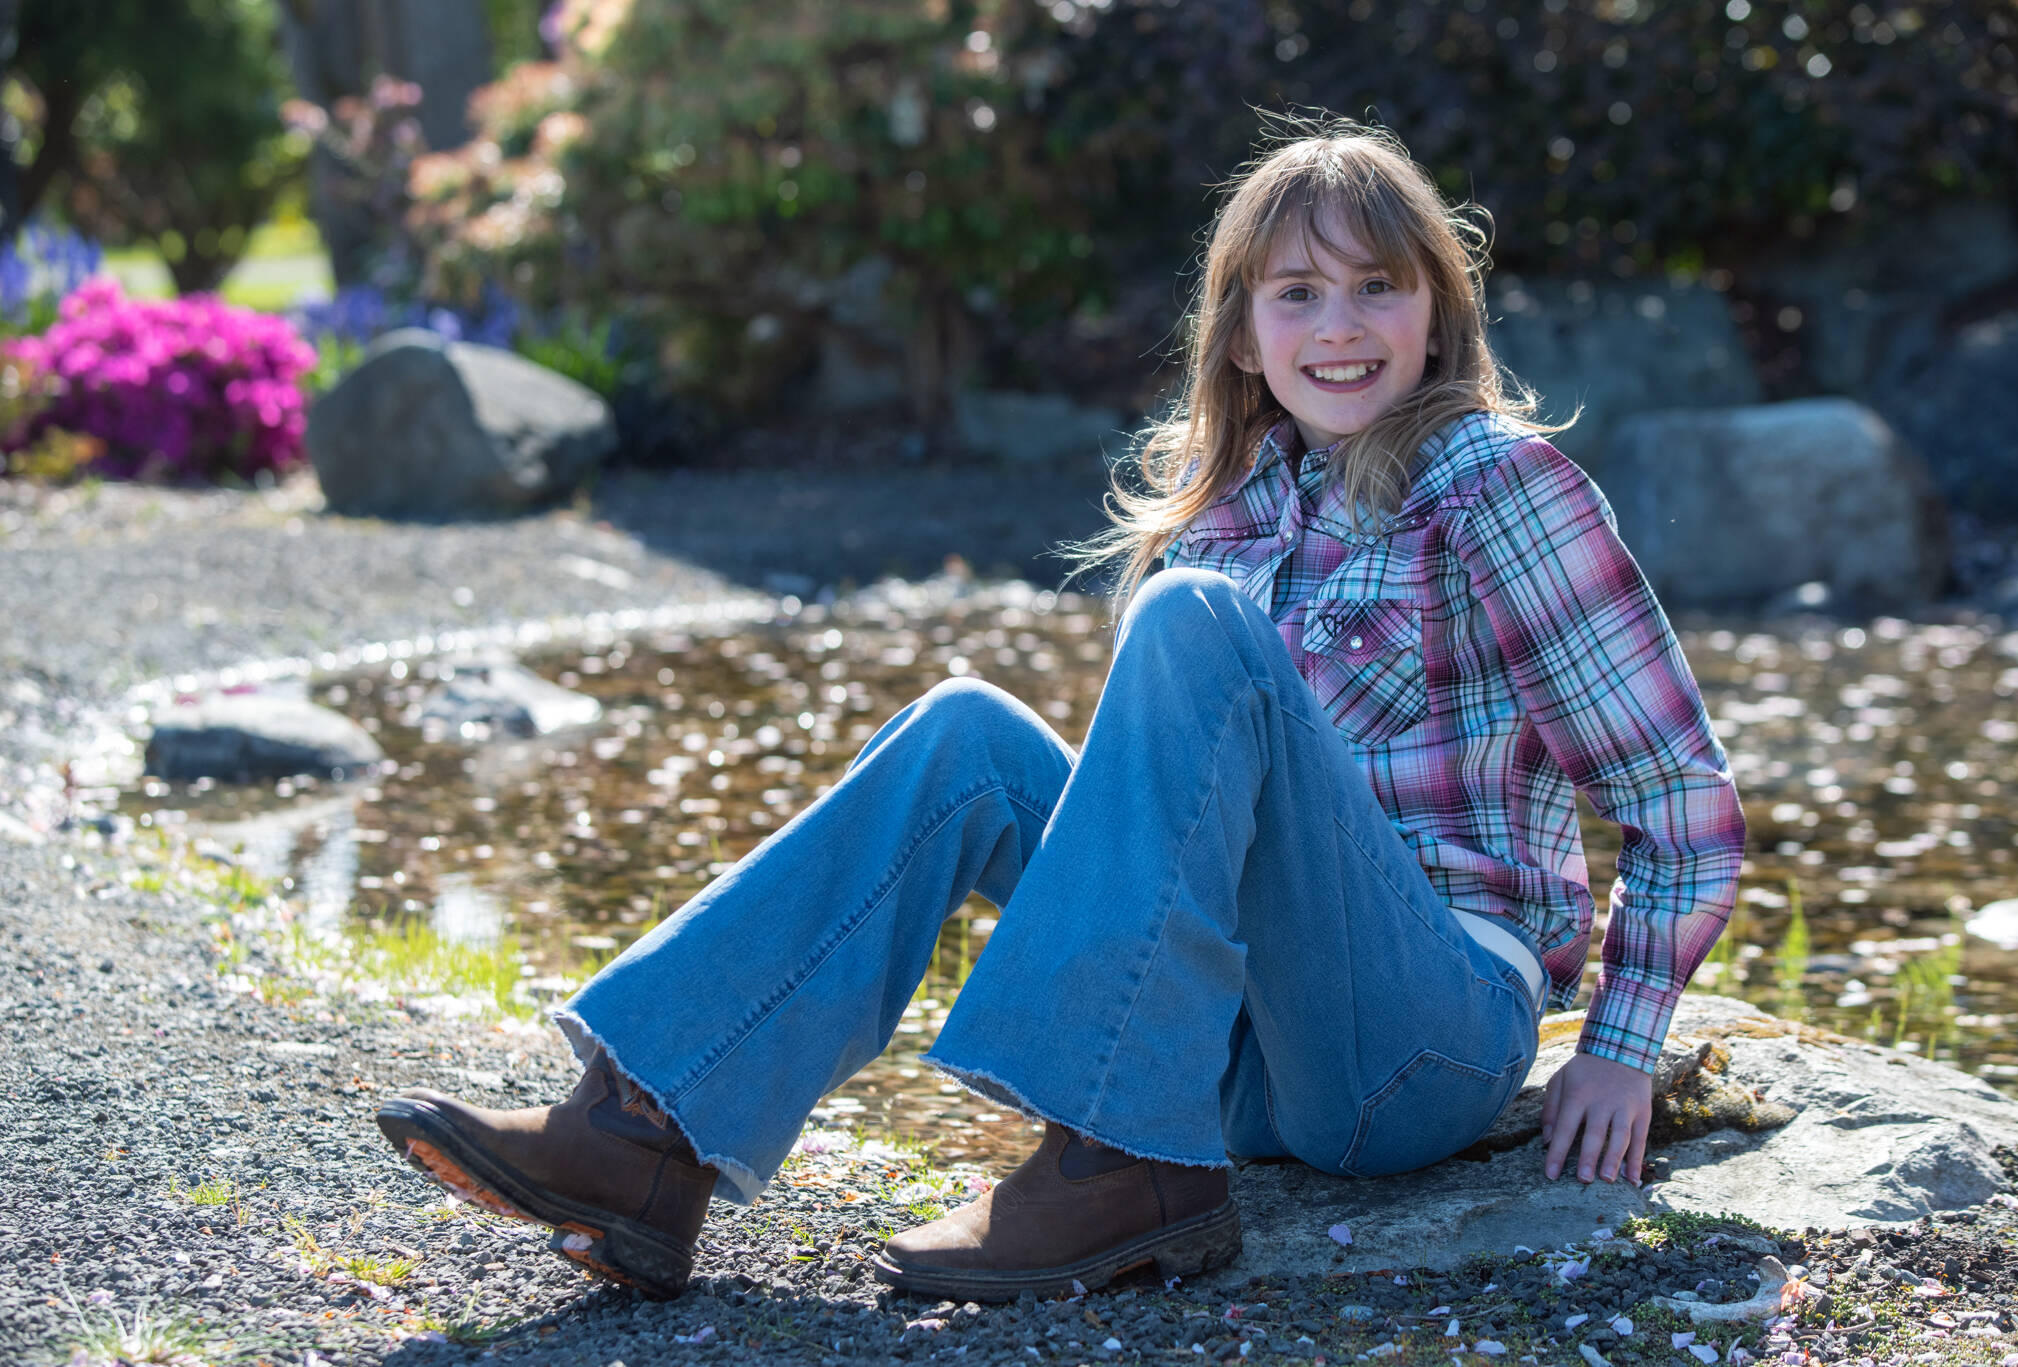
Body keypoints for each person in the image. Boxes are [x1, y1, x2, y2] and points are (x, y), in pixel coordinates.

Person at [373, 119, 1745, 1304]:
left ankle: (1117, 1164)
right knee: (969, 736)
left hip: (1416, 1040)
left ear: (1438, 312)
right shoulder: (1226, 517)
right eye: (1298, 292)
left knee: (1191, 626)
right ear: (1244, 328)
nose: (1338, 327)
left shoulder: (1494, 485)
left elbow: (1681, 802)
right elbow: (1160, 831)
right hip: (1238, 1055)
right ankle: (643, 1138)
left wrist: (1623, 1054)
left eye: (1377, 288)